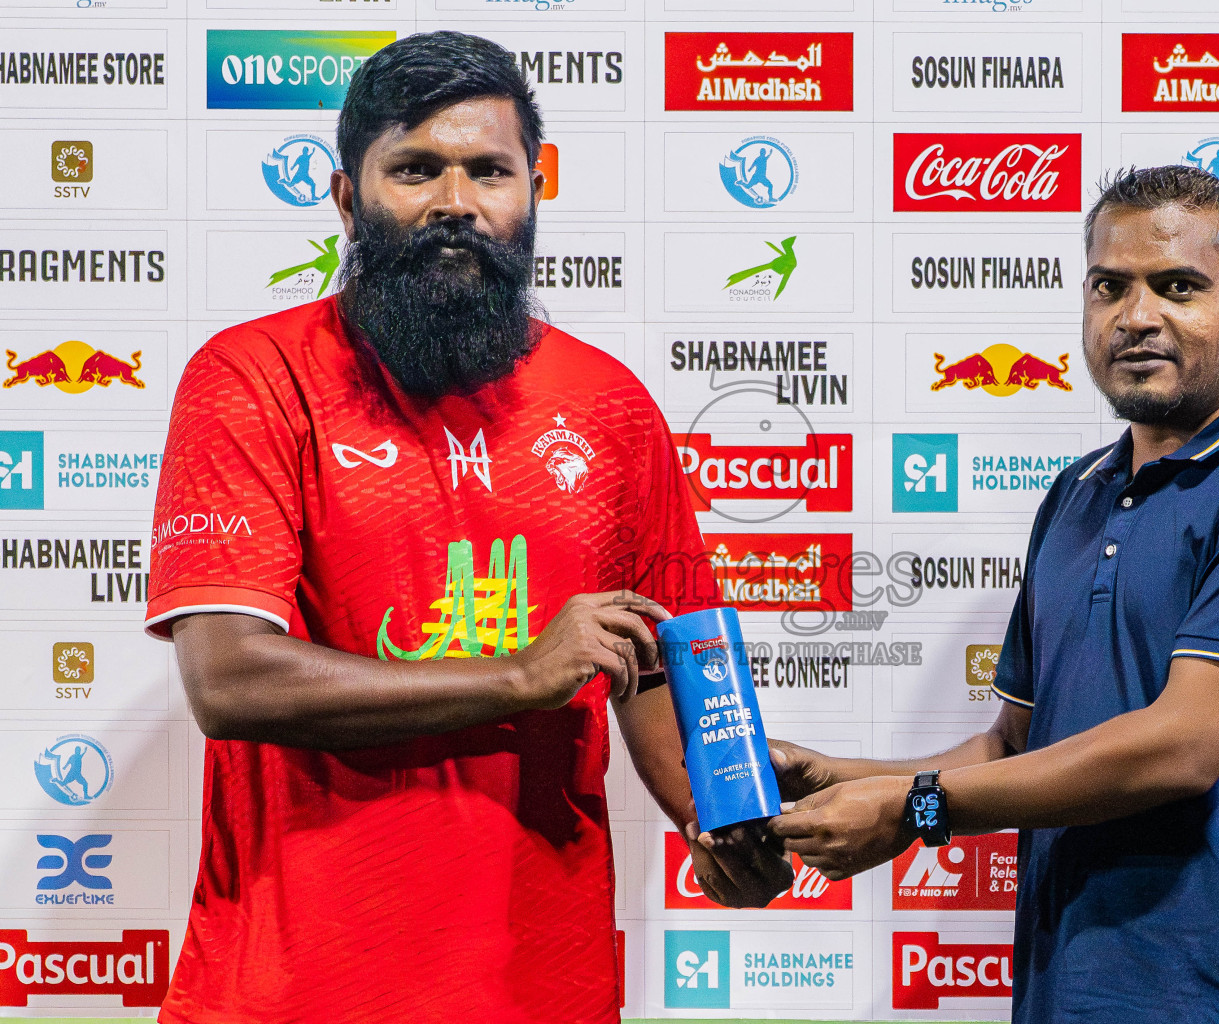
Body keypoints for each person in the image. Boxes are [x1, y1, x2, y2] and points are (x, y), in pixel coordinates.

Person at [145, 31, 788, 1024]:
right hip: (293, 993)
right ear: (346, 198)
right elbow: (228, 679)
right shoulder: (252, 378)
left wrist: (729, 832)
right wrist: (521, 676)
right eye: (414, 169)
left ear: (536, 188)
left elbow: (675, 672)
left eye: (489, 171)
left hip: (545, 990)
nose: (456, 201)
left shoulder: (611, 407)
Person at [760, 166, 1219, 1022]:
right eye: (1109, 287)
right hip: (1070, 990)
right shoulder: (1078, 492)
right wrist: (839, 777)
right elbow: (1015, 745)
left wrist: (916, 807)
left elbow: (1184, 745)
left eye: (1178, 287)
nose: (1136, 316)